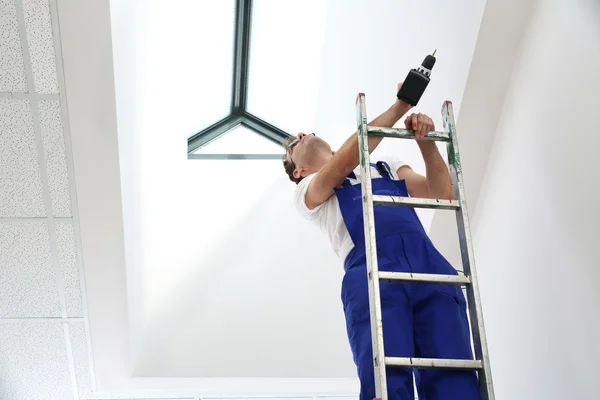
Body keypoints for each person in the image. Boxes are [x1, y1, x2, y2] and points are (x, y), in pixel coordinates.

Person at [281, 82, 480, 400]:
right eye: (294, 144)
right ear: (298, 171)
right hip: (372, 272)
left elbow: (440, 194)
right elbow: (344, 162)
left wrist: (426, 143)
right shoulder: (306, 191)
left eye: (302, 133)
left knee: (454, 376)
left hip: (429, 266)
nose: (303, 134)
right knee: (387, 385)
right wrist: (401, 106)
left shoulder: (384, 165)